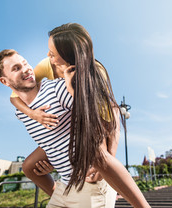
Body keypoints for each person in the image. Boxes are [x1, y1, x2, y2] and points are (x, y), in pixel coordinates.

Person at [10, 23, 150, 207]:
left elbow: (111, 116)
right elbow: (14, 96)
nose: (47, 56)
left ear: (69, 55)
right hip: (69, 125)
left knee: (99, 159)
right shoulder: (47, 66)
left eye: (52, 53)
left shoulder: (94, 74)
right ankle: (61, 194)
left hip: (95, 122)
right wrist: (34, 114)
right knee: (29, 166)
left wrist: (109, 158)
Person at [0, 49, 116, 207]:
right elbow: (54, 140)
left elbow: (99, 118)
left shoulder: (57, 89)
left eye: (25, 63)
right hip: (64, 187)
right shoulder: (21, 113)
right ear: (5, 81)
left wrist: (104, 163)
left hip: (91, 185)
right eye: (16, 68)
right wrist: (53, 160)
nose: (26, 69)